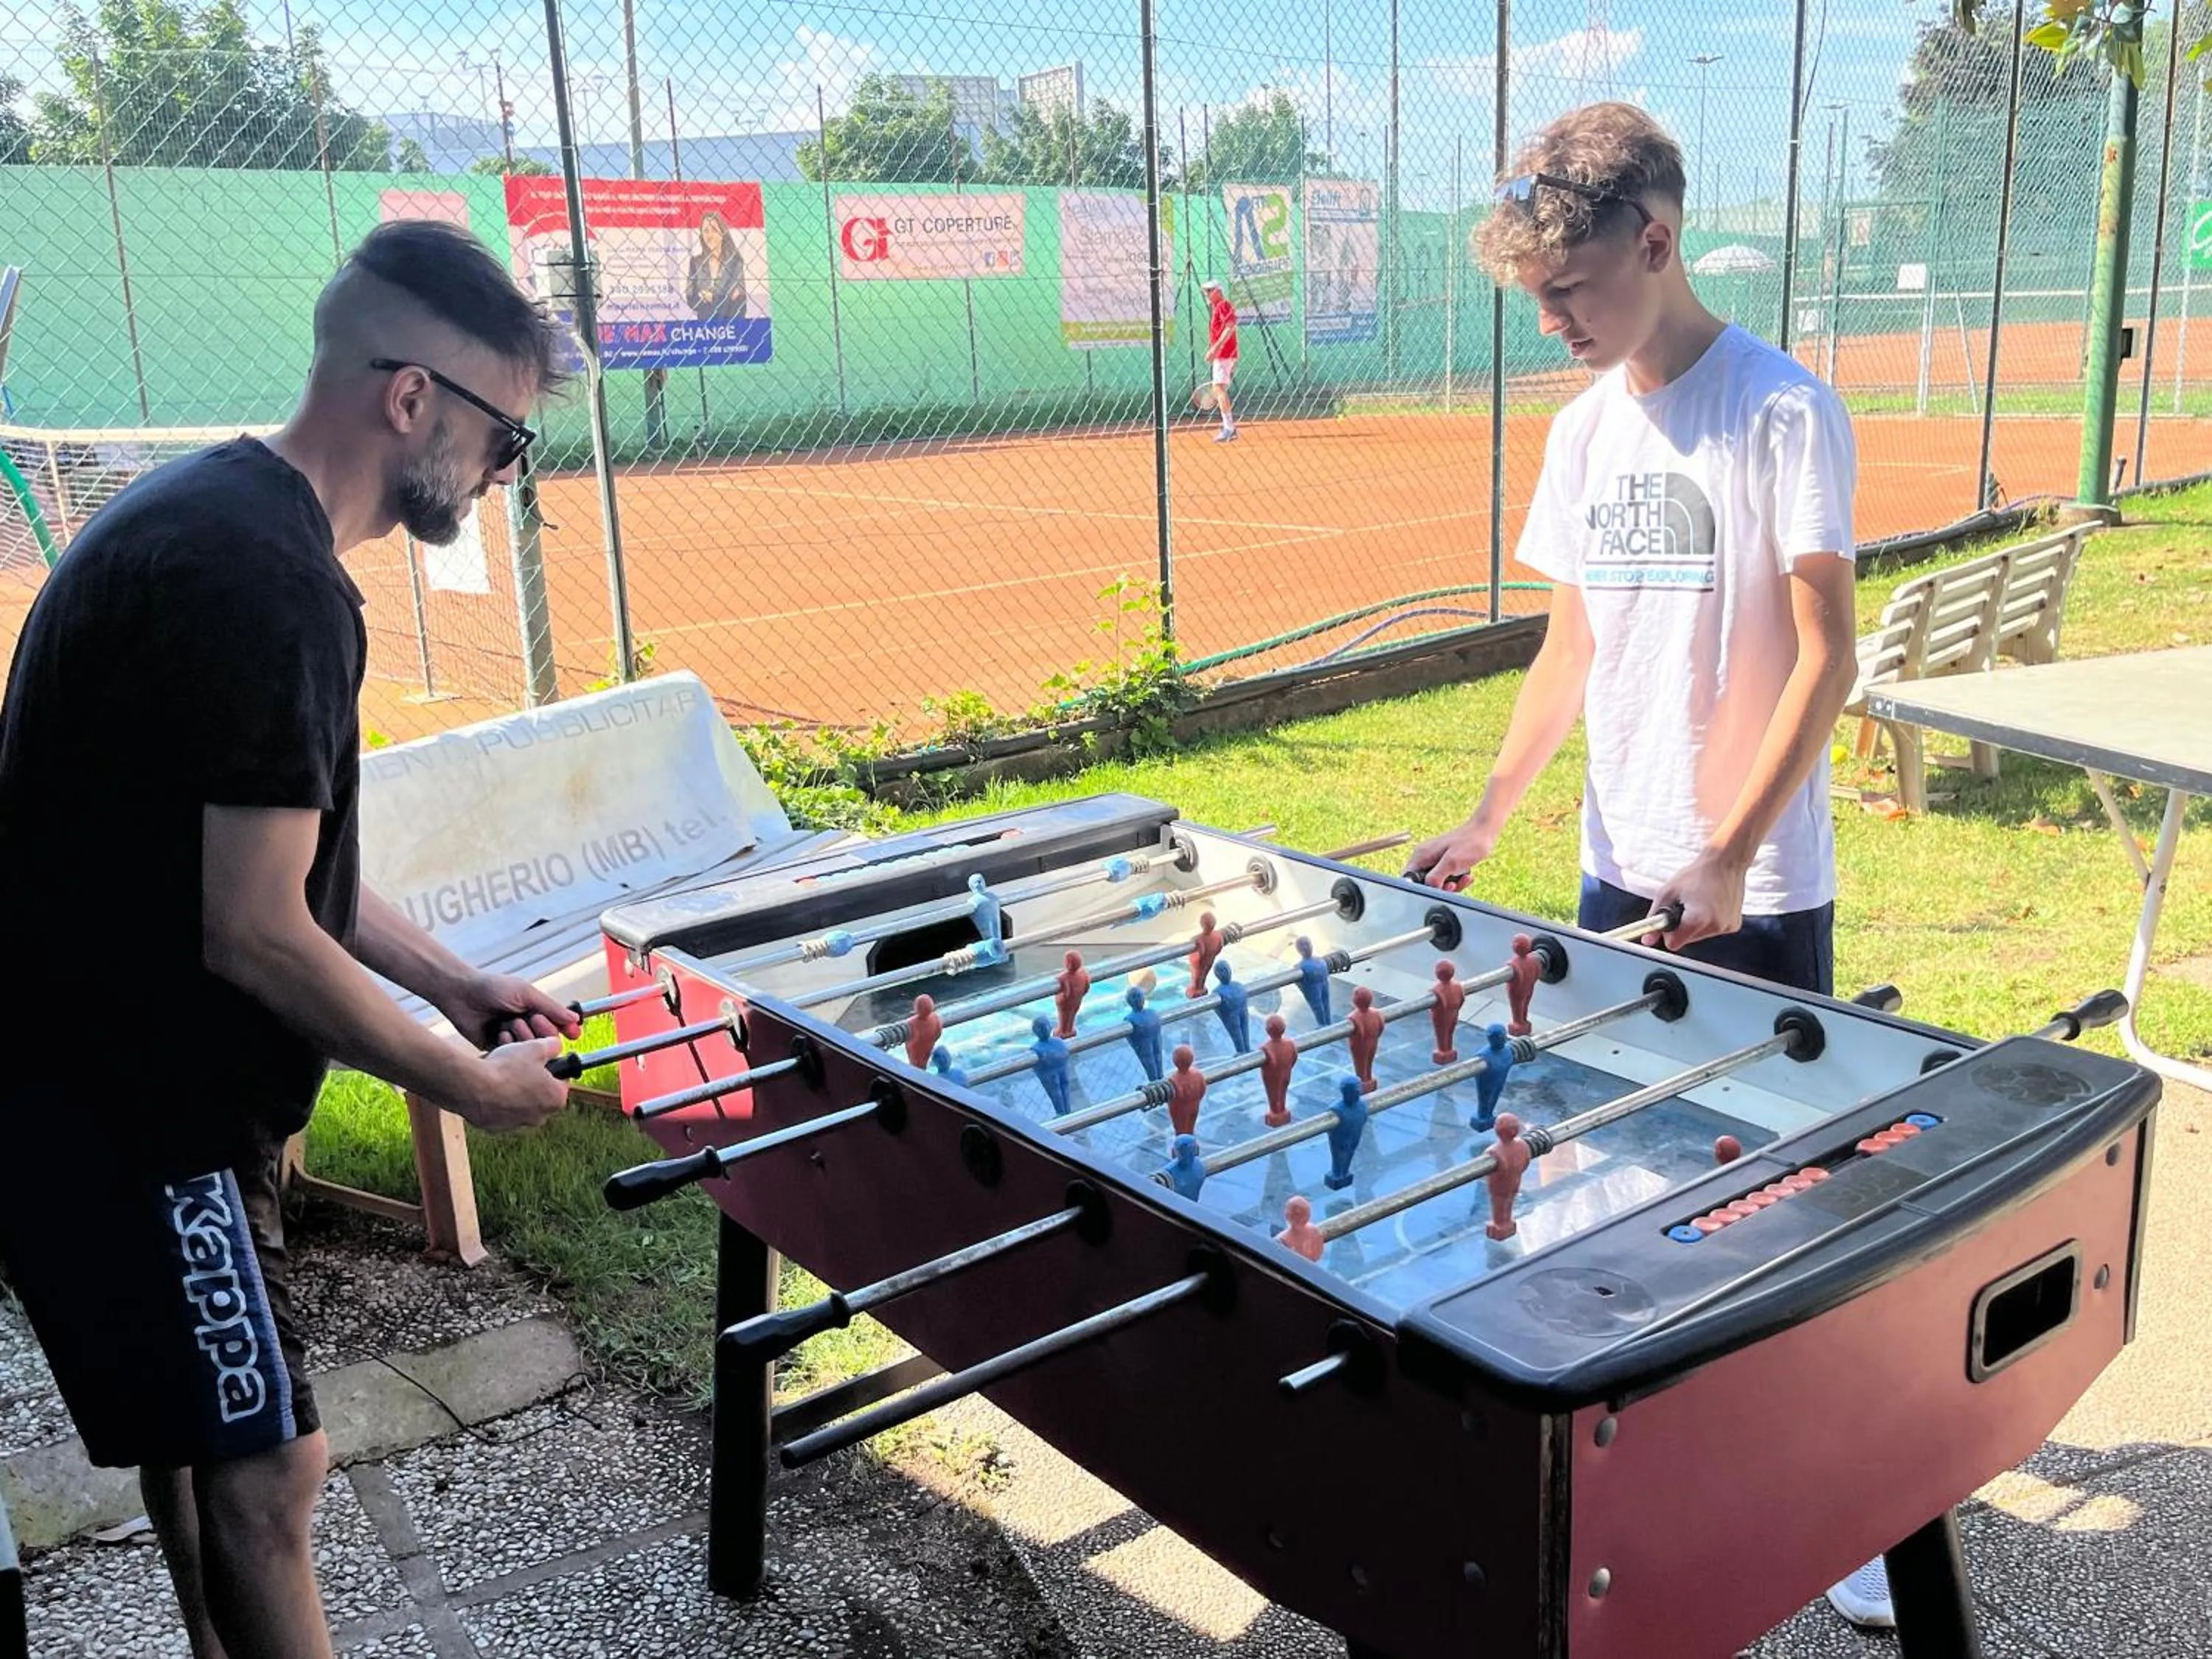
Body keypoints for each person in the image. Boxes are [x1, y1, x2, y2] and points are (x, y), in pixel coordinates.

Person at [0, 218, 583, 1658]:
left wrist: (457, 983)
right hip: (132, 1117)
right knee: (271, 1471)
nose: (507, 477)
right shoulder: (271, 590)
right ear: (411, 402)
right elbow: (257, 932)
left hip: (90, 1084)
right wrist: (467, 1081)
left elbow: (283, 866)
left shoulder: (214, 518)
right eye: (506, 441)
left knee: (199, 1433)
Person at [1402, 102, 1873, 1621]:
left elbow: (1830, 657)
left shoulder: (1780, 410)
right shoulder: (1579, 427)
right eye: (1533, 299)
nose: (1549, 324)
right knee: (1619, 1186)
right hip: (1618, 880)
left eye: (1572, 291)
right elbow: (1574, 640)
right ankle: (1656, 1479)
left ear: (1656, 240)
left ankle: (1850, 1502)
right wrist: (1491, 811)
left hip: (1753, 889)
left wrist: (1733, 851)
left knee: (1786, 1204)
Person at [685, 210, 748, 321]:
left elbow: (739, 303)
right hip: (705, 326)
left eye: (714, 229)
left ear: (722, 232)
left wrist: (712, 298)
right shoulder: (695, 263)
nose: (710, 235)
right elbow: (691, 298)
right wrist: (726, 299)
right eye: (706, 231)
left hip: (731, 325)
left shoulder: (735, 263)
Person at [1202, 277, 1239, 442]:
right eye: (1206, 291)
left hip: (1224, 354)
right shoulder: (1218, 307)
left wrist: (1215, 349)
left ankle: (1229, 428)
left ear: (1218, 291)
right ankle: (1228, 427)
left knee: (1218, 389)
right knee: (1219, 388)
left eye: (1210, 291)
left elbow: (1231, 326)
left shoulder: (1223, 305)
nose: (1207, 294)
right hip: (1224, 353)